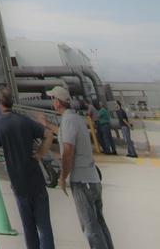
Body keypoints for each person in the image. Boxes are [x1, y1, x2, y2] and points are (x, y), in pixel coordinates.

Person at [0, 85, 56, 249]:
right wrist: (39, 154)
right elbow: (49, 134)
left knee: (29, 228)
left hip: (19, 184)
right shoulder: (25, 121)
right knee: (44, 227)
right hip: (36, 181)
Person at [49, 84, 115, 249]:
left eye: (52, 98)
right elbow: (64, 133)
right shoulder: (74, 119)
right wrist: (47, 125)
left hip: (82, 180)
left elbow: (68, 150)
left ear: (58, 102)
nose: (51, 102)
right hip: (91, 178)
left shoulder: (69, 120)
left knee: (90, 226)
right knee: (99, 222)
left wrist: (63, 177)